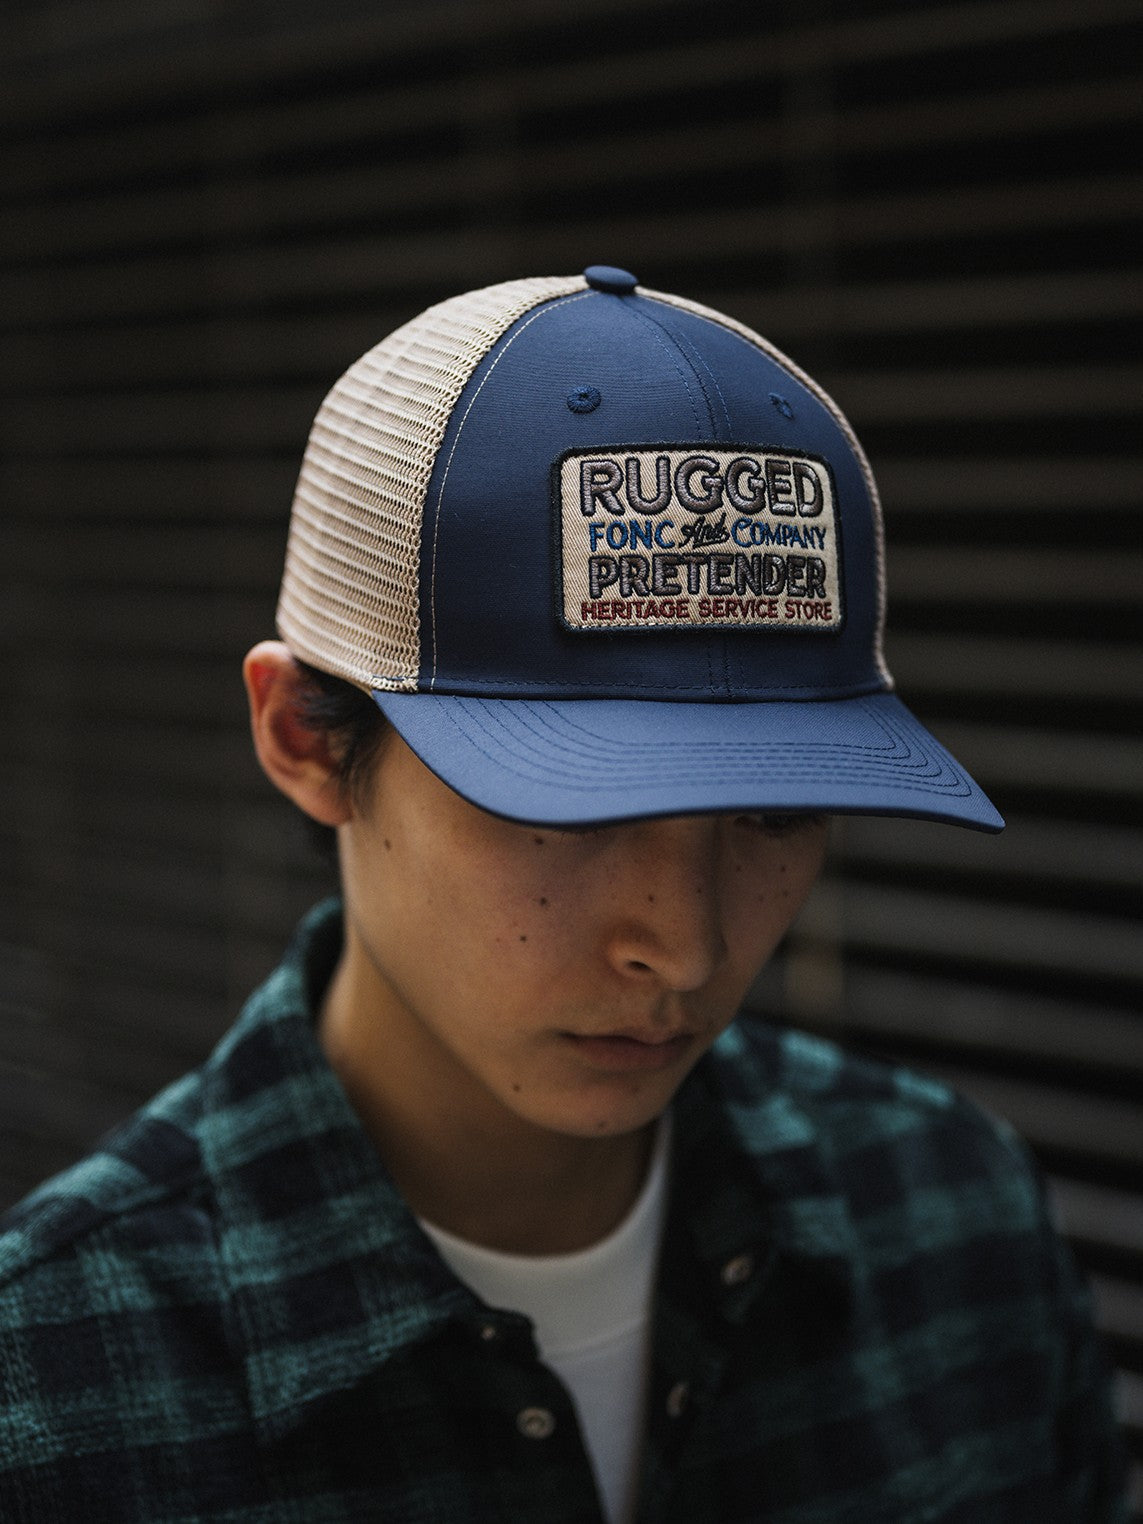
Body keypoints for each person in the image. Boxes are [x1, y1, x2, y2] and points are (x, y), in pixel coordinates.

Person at [0, 266, 1127, 1523]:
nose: (685, 946)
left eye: (773, 814)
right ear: (307, 738)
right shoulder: (53, 1393)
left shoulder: (954, 1225)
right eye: (566, 808)